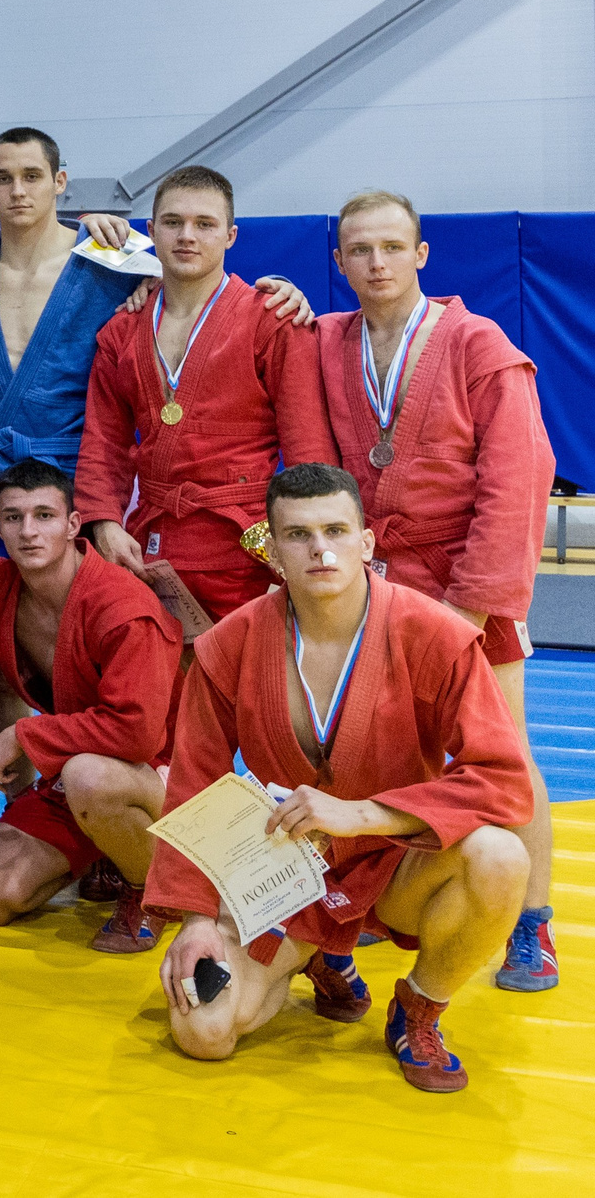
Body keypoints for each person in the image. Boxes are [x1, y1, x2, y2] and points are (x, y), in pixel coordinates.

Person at [153, 464, 532, 1092]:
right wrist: (195, 917)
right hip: (285, 871)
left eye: (336, 530)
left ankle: (419, 1004)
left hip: (398, 864)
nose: (321, 549)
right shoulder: (230, 645)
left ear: (367, 541)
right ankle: (322, 956)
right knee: (204, 1031)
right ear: (271, 551)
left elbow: (505, 781)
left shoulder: (436, 635)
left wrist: (364, 814)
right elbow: (193, 783)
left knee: (499, 857)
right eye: (298, 535)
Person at [317, 190, 559, 993]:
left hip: (467, 590)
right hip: (377, 593)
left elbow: (519, 477)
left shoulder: (476, 343)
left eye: (392, 246)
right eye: (360, 249)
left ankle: (531, 921)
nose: (377, 262)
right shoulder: (324, 341)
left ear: (422, 255)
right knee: (374, 754)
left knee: (506, 755)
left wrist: (469, 608)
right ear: (341, 260)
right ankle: (378, 902)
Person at [0, 128, 304, 558]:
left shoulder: (113, 259)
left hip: (73, 476)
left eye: (32, 176)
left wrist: (284, 288)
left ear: (60, 182)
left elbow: (193, 283)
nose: (18, 191)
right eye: (3, 178)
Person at [0, 461, 183, 952]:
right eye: (13, 517)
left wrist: (24, 735)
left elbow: (136, 734)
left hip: (161, 776)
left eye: (44, 515)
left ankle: (152, 889)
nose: (28, 532)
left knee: (87, 775)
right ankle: (105, 851)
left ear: (74, 526)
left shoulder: (123, 608)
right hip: (79, 774)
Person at [76, 166, 333, 633]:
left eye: (205, 224)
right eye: (172, 222)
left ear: (231, 235)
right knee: (163, 690)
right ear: (151, 231)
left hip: (247, 547)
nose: (186, 236)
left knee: (249, 692)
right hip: (152, 542)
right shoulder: (122, 331)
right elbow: (103, 444)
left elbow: (307, 452)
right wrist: (103, 522)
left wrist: (301, 550)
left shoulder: (273, 320)